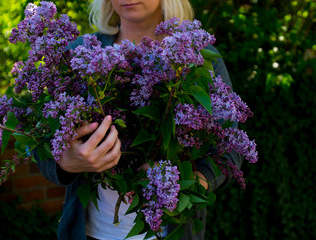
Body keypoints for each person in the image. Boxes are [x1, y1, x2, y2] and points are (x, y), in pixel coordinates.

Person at [36, 0, 244, 239]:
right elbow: (39, 141)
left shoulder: (199, 58)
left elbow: (230, 149)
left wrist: (186, 185)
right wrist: (66, 162)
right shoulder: (81, 53)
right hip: (91, 233)